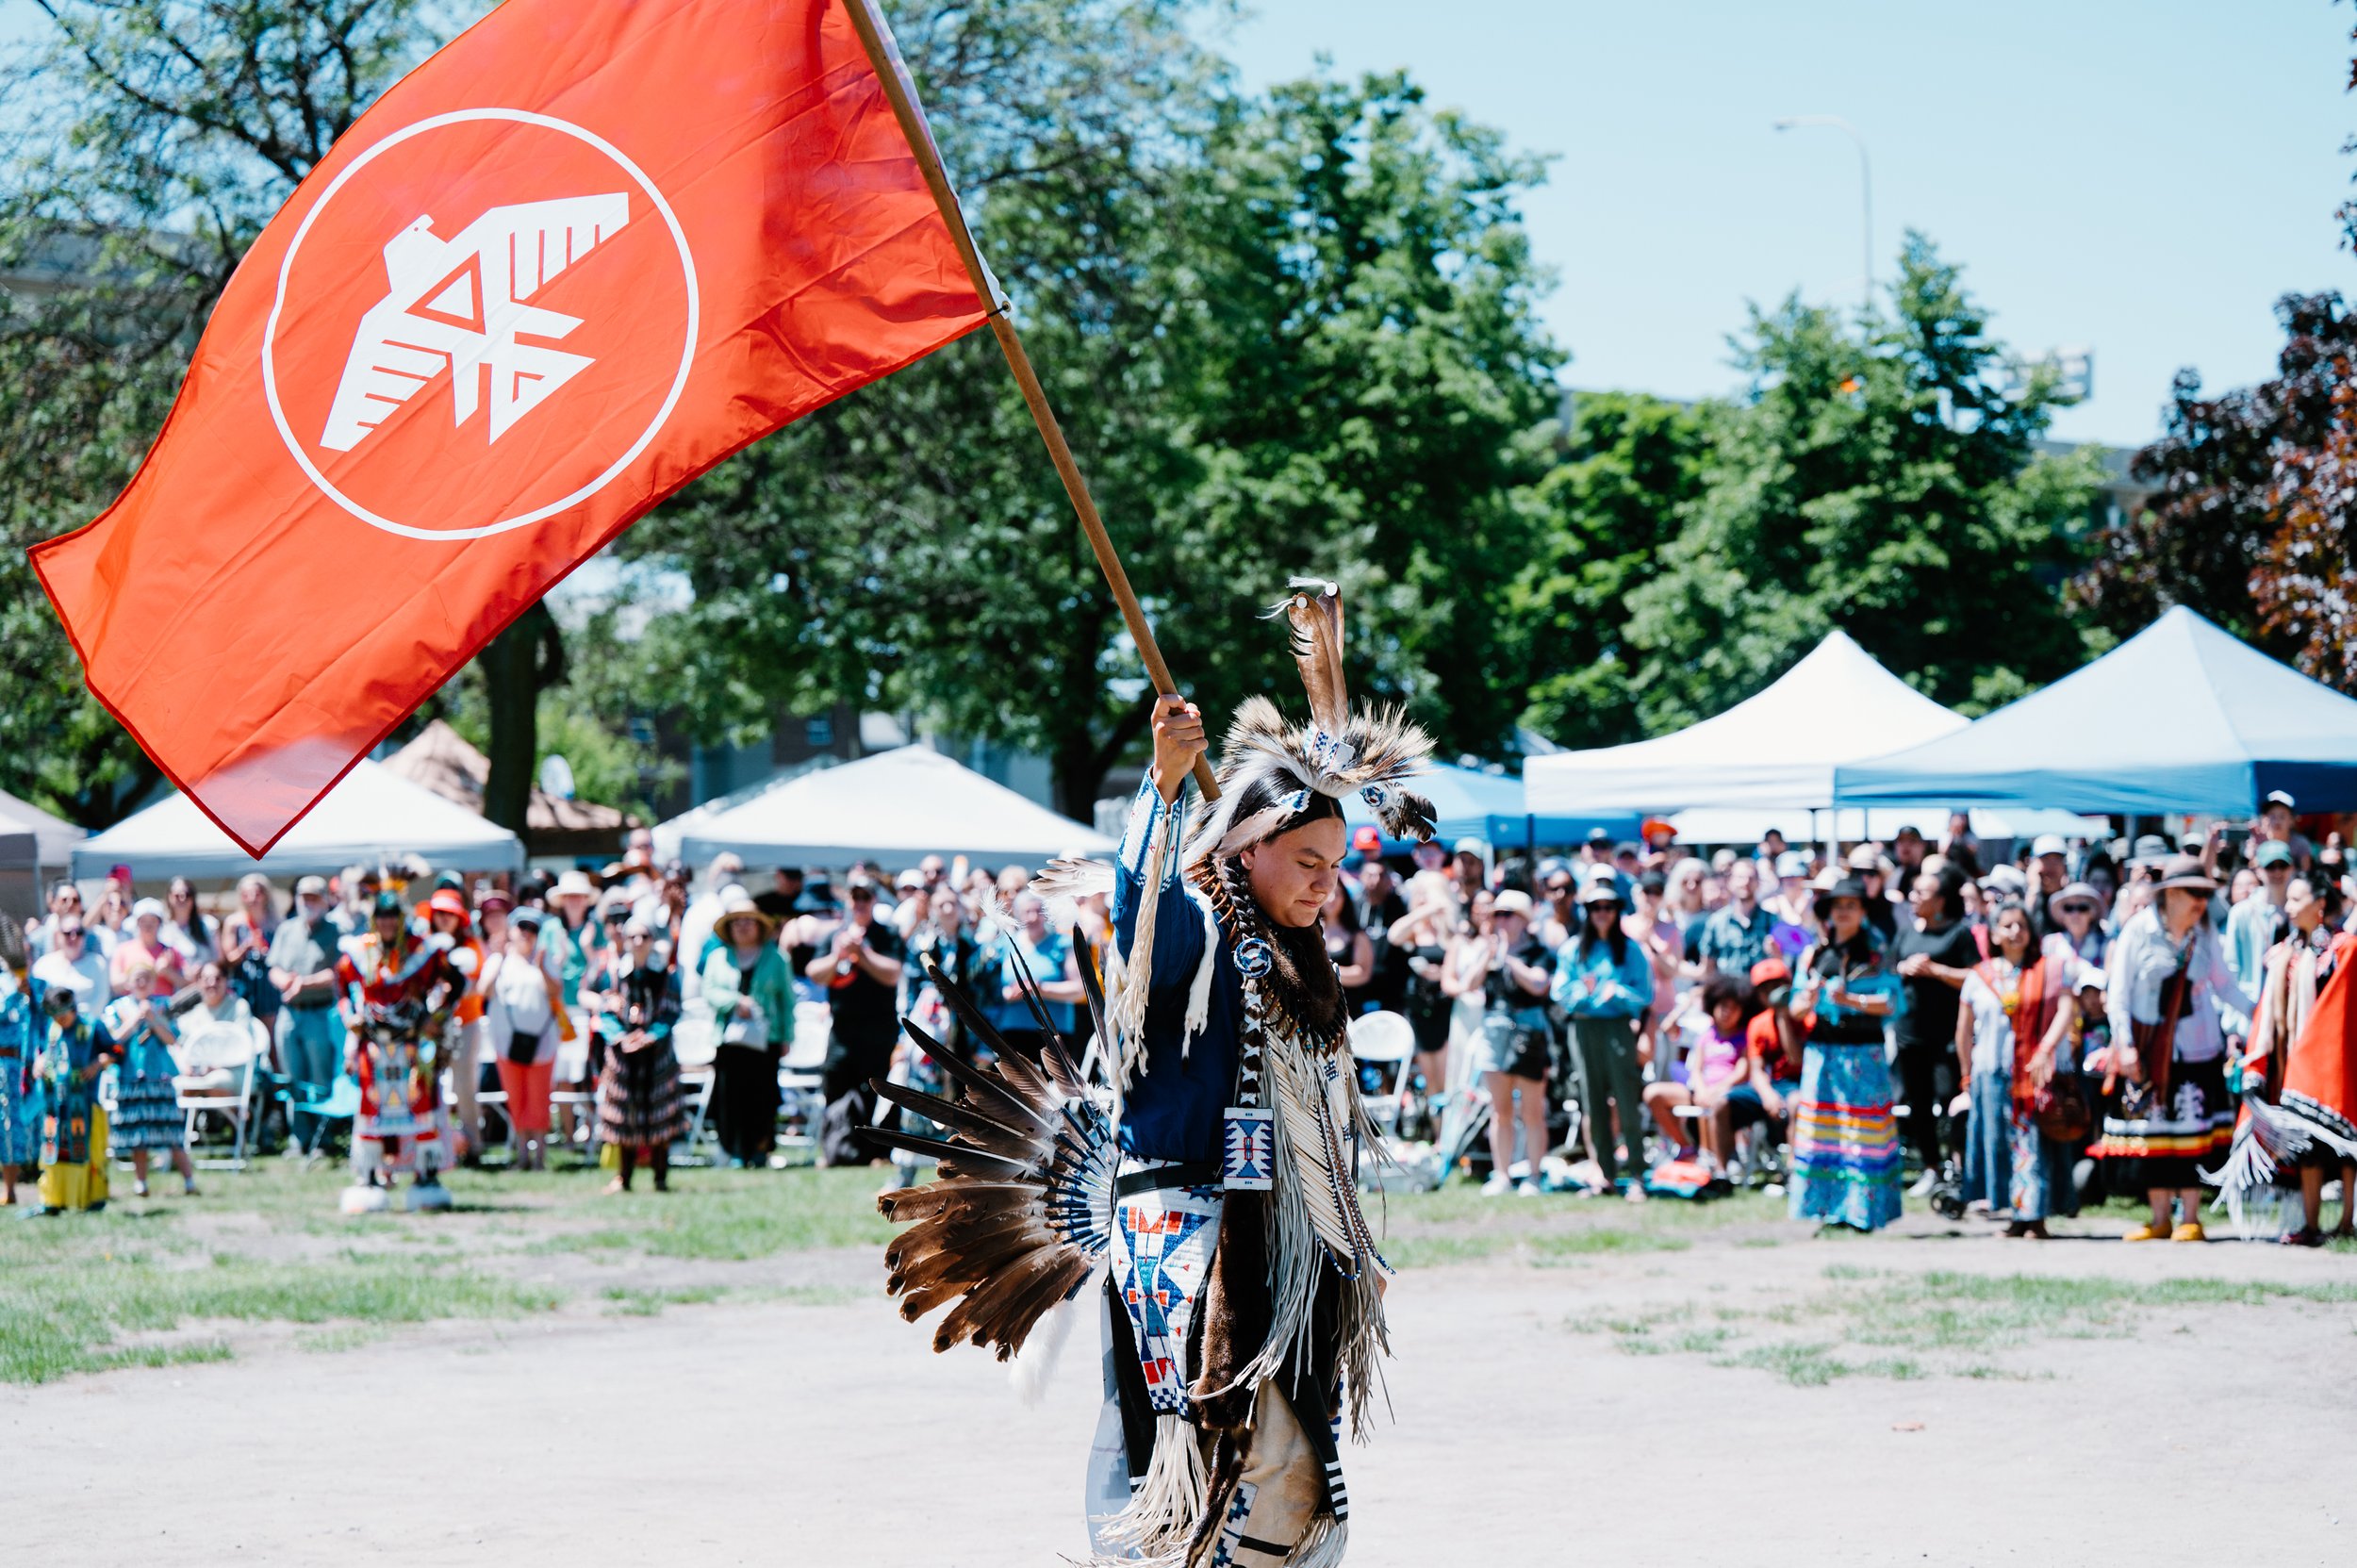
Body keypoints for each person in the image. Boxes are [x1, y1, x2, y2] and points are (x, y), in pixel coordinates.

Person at [877, 583, 1437, 1566]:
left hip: (1275, 1240)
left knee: (1285, 1467)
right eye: (1305, 858)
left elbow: (1310, 1117)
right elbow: (1143, 906)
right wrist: (1166, 783)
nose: (1324, 881)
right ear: (1247, 848)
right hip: (1181, 1232)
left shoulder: (1297, 963)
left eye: (1334, 863)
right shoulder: (1199, 927)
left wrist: (1347, 1236)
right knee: (1189, 1455)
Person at [2101, 855, 2254, 1244]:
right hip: (2150, 1049)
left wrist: (2265, 1014)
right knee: (2155, 1134)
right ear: (2169, 895)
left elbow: (2226, 987)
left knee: (2192, 1133)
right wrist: (2125, 1046)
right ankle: (2158, 1218)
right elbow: (2117, 995)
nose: (2201, 902)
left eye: (2205, 893)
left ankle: (2190, 1216)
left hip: (2198, 1048)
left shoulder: (2204, 935)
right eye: (2193, 893)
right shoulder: (2138, 931)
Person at [2219, 878, 2356, 1246]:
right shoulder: (2285, 952)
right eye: (2290, 899)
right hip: (2291, 1062)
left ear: (2320, 903)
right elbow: (2267, 1010)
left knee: (2345, 1142)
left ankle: (2346, 1223)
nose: (2290, 905)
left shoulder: (2344, 948)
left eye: (2299, 898)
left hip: (2335, 1058)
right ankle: (2310, 1225)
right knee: (2306, 1145)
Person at [1782, 878, 1904, 1231]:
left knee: (1862, 1132)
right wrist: (1808, 999)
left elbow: (1893, 1002)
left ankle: (1864, 1212)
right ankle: (1830, 1209)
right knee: (1827, 1131)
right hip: (1823, 1055)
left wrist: (1852, 1001)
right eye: (1838, 906)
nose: (1844, 912)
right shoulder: (1816, 954)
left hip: (1864, 1054)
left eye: (1851, 905)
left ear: (1863, 911)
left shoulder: (1878, 952)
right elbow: (1795, 1008)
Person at [1956, 903, 2076, 1237]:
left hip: (2037, 1072)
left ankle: (2035, 1215)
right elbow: (1964, 1030)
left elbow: (2066, 1009)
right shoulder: (1979, 977)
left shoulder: (2049, 970)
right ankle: (2016, 1214)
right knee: (2002, 1144)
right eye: (2006, 926)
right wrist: (1966, 1073)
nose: (2014, 931)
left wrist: (2045, 1051)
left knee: (2034, 1142)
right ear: (1993, 934)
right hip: (1993, 1072)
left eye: (2020, 924)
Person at [337, 892, 461, 1192]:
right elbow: (341, 988)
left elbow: (455, 982)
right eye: (382, 915)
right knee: (372, 1111)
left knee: (421, 1109)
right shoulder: (360, 951)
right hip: (373, 1047)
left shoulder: (422, 951)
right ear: (373, 919)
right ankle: (369, 1177)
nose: (387, 921)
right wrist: (349, 1017)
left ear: (402, 918)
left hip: (412, 1046)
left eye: (393, 915)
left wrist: (438, 1018)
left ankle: (426, 1175)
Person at [1552, 867, 1655, 1197]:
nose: (1602, 914)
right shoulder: (1572, 949)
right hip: (1583, 1030)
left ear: (1617, 911)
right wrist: (1585, 992)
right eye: (1595, 908)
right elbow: (1561, 993)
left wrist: (1619, 993)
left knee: (1626, 1101)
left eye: (1608, 908)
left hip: (1617, 1028)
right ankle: (1606, 1175)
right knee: (1592, 1104)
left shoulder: (1630, 950)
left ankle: (1637, 1174)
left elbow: (1646, 995)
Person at [805, 875, 902, 1162]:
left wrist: (863, 953)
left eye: (865, 898)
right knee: (834, 1083)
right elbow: (815, 973)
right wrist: (839, 955)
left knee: (879, 1088)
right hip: (842, 1029)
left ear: (874, 900)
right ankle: (836, 1148)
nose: (859, 903)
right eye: (855, 897)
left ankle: (879, 1152)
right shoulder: (835, 936)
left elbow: (892, 973)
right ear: (847, 901)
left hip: (878, 1027)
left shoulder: (886, 935)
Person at [1894, 867, 1979, 1194]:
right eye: (1913, 892)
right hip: (1910, 1032)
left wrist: (1936, 970)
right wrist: (1904, 968)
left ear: (1940, 900)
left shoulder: (1959, 934)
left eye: (1922, 893)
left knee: (1951, 1099)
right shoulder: (1906, 935)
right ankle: (1930, 1167)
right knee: (1918, 1103)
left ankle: (1959, 1168)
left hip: (1948, 1034)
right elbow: (1889, 970)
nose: (1914, 898)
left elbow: (1975, 976)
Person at [594, 919, 688, 1194]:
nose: (638, 942)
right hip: (623, 1057)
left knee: (661, 1118)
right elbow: (606, 1010)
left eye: (644, 936)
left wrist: (651, 1036)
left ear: (652, 940)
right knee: (624, 1118)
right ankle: (624, 1177)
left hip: (657, 1056)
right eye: (632, 936)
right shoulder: (614, 973)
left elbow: (671, 1010)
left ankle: (660, 1176)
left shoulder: (667, 975)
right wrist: (622, 1037)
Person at [1474, 889, 1555, 1195]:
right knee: (1500, 1109)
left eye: (1507, 915)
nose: (1501, 921)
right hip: (1494, 1030)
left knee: (1532, 1110)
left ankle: (1534, 1175)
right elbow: (1465, 984)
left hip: (1529, 1032)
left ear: (1523, 919)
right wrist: (1487, 954)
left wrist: (1508, 957)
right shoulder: (1489, 951)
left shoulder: (1538, 952)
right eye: (1498, 915)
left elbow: (1538, 984)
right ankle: (1502, 1175)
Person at [704, 895, 794, 1167]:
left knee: (763, 1095)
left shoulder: (776, 957)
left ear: (758, 926)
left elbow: (787, 1000)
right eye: (737, 922)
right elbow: (709, 991)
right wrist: (735, 1002)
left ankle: (760, 1148)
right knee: (730, 1096)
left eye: (748, 921)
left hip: (767, 1037)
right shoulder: (718, 957)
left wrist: (788, 1036)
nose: (743, 926)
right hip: (729, 1038)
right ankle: (734, 1150)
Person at [101, 961, 200, 1198]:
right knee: (138, 1135)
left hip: (159, 1076)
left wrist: (153, 1019)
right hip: (130, 1076)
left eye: (147, 977)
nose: (142, 982)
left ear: (155, 981)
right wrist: (136, 1018)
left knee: (172, 1131)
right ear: (128, 983)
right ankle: (141, 1182)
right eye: (137, 978)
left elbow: (171, 1038)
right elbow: (113, 1040)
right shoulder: (118, 1008)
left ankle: (189, 1181)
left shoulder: (163, 1006)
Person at [1643, 975, 1755, 1176]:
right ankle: (1687, 1148)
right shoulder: (1705, 1034)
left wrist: (1717, 1089)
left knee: (1712, 1102)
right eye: (1722, 1006)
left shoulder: (1746, 1036)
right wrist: (1702, 1089)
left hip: (1728, 1093)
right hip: (1698, 1089)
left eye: (1732, 1007)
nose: (1726, 1012)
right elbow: (1695, 1068)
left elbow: (1742, 1070)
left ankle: (1710, 1156)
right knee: (1653, 1093)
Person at [268, 877, 346, 1156]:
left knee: (319, 1075)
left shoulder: (336, 931)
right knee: (293, 1076)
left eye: (314, 898)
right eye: (304, 897)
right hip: (289, 1013)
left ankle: (322, 1139)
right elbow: (273, 967)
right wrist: (286, 982)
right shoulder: (287, 930)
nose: (308, 903)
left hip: (320, 1012)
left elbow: (336, 973)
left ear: (325, 901)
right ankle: (298, 1138)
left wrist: (304, 982)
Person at [483, 907, 563, 1170]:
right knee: (515, 1099)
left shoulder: (544, 959)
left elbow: (555, 992)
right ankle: (521, 1156)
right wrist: (497, 957)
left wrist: (541, 967)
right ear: (512, 931)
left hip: (541, 1042)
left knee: (539, 1099)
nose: (527, 934)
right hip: (506, 1043)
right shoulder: (500, 960)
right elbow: (483, 991)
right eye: (522, 928)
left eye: (533, 930)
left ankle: (539, 1157)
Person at [29, 986, 115, 1214]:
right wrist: (40, 1062)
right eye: (55, 1015)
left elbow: (116, 1050)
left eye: (63, 1015)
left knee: (85, 1152)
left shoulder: (92, 1026)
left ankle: (91, 1199)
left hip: (84, 1103)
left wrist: (98, 1063)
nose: (59, 1019)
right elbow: (46, 1053)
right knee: (53, 1151)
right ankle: (53, 1200)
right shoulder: (52, 1028)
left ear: (73, 1008)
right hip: (55, 1106)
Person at [422, 889, 486, 1162]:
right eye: (440, 914)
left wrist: (451, 987)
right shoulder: (427, 946)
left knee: (463, 1087)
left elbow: (474, 985)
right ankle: (434, 1143)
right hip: (433, 1027)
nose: (444, 919)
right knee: (431, 1086)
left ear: (459, 918)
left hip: (465, 1024)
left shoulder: (470, 947)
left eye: (450, 914)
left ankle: (473, 1145)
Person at [979, 890, 1080, 1061]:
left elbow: (1078, 989)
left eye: (1038, 911)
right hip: (1013, 1031)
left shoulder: (1062, 943)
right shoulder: (1005, 944)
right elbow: (990, 989)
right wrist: (1008, 995)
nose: (1033, 917)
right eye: (1027, 912)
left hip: (1055, 1032)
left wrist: (1038, 989)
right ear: (1017, 914)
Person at [2226, 839, 2296, 997]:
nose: (2277, 872)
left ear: (2291, 868)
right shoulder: (2241, 912)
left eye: (2282, 865)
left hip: (2290, 1003)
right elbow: (2231, 967)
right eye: (2270, 866)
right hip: (2254, 1006)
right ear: (2258, 870)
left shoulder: (2299, 910)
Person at [110, 897, 187, 995]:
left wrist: (168, 972)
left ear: (159, 923)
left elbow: (186, 984)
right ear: (137, 923)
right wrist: (140, 973)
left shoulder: (170, 951)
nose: (148, 926)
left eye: (152, 921)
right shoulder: (122, 950)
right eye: (143, 921)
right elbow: (115, 985)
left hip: (164, 1008)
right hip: (132, 1008)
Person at [31, 915, 109, 1009]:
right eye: (67, 933)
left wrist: (76, 1020)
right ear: (58, 935)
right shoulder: (42, 965)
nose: (73, 937)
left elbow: (102, 998)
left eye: (79, 933)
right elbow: (38, 998)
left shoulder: (98, 963)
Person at [1323, 885, 1376, 1009]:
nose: (1332, 899)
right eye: (1328, 894)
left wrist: (1327, 972)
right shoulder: (1310, 931)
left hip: (1349, 1008)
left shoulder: (1357, 935)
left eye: (1338, 894)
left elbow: (1363, 974)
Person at [162, 877, 220, 970]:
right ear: (169, 897)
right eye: (177, 895)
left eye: (187, 895)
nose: (182, 899)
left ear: (193, 898)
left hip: (205, 981)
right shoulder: (162, 928)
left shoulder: (209, 924)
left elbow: (219, 960)